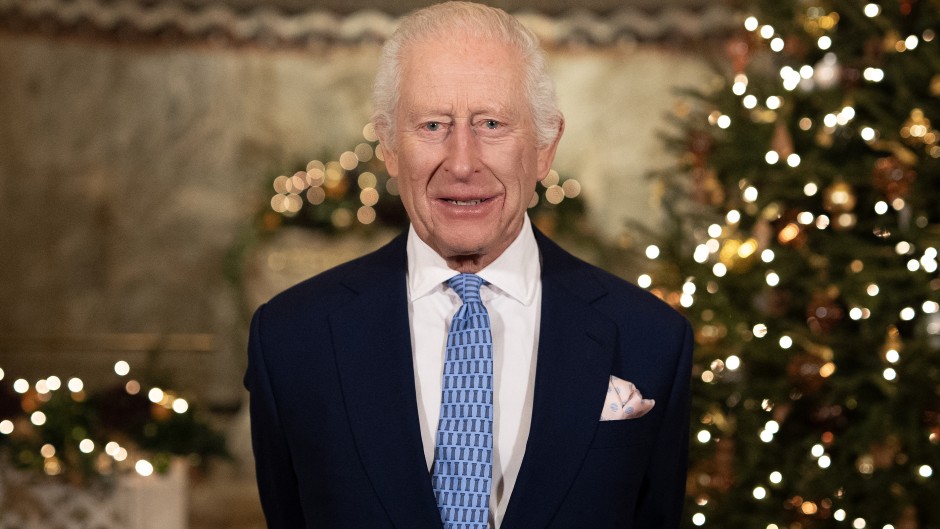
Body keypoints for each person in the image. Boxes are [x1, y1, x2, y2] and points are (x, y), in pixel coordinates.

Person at [245, 2, 693, 528]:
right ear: (389, 147)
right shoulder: (292, 340)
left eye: (492, 123)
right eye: (432, 124)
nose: (461, 163)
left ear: (545, 147)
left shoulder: (651, 339)